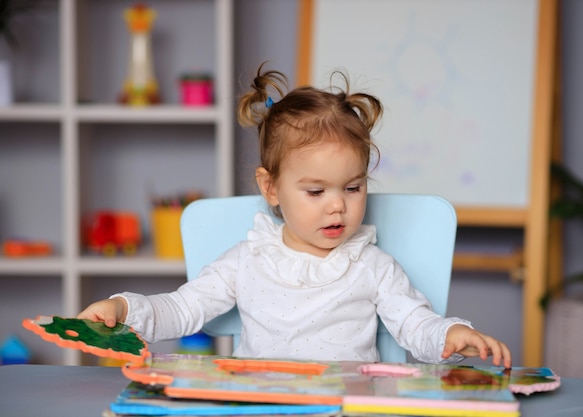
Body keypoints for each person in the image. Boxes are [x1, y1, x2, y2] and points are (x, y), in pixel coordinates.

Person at [78, 64, 512, 367]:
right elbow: (182, 308)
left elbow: (415, 323)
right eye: (316, 191)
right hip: (261, 406)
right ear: (271, 189)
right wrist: (123, 308)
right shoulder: (248, 260)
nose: (337, 204)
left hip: (344, 407)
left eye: (354, 187)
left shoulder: (372, 266)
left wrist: (450, 335)